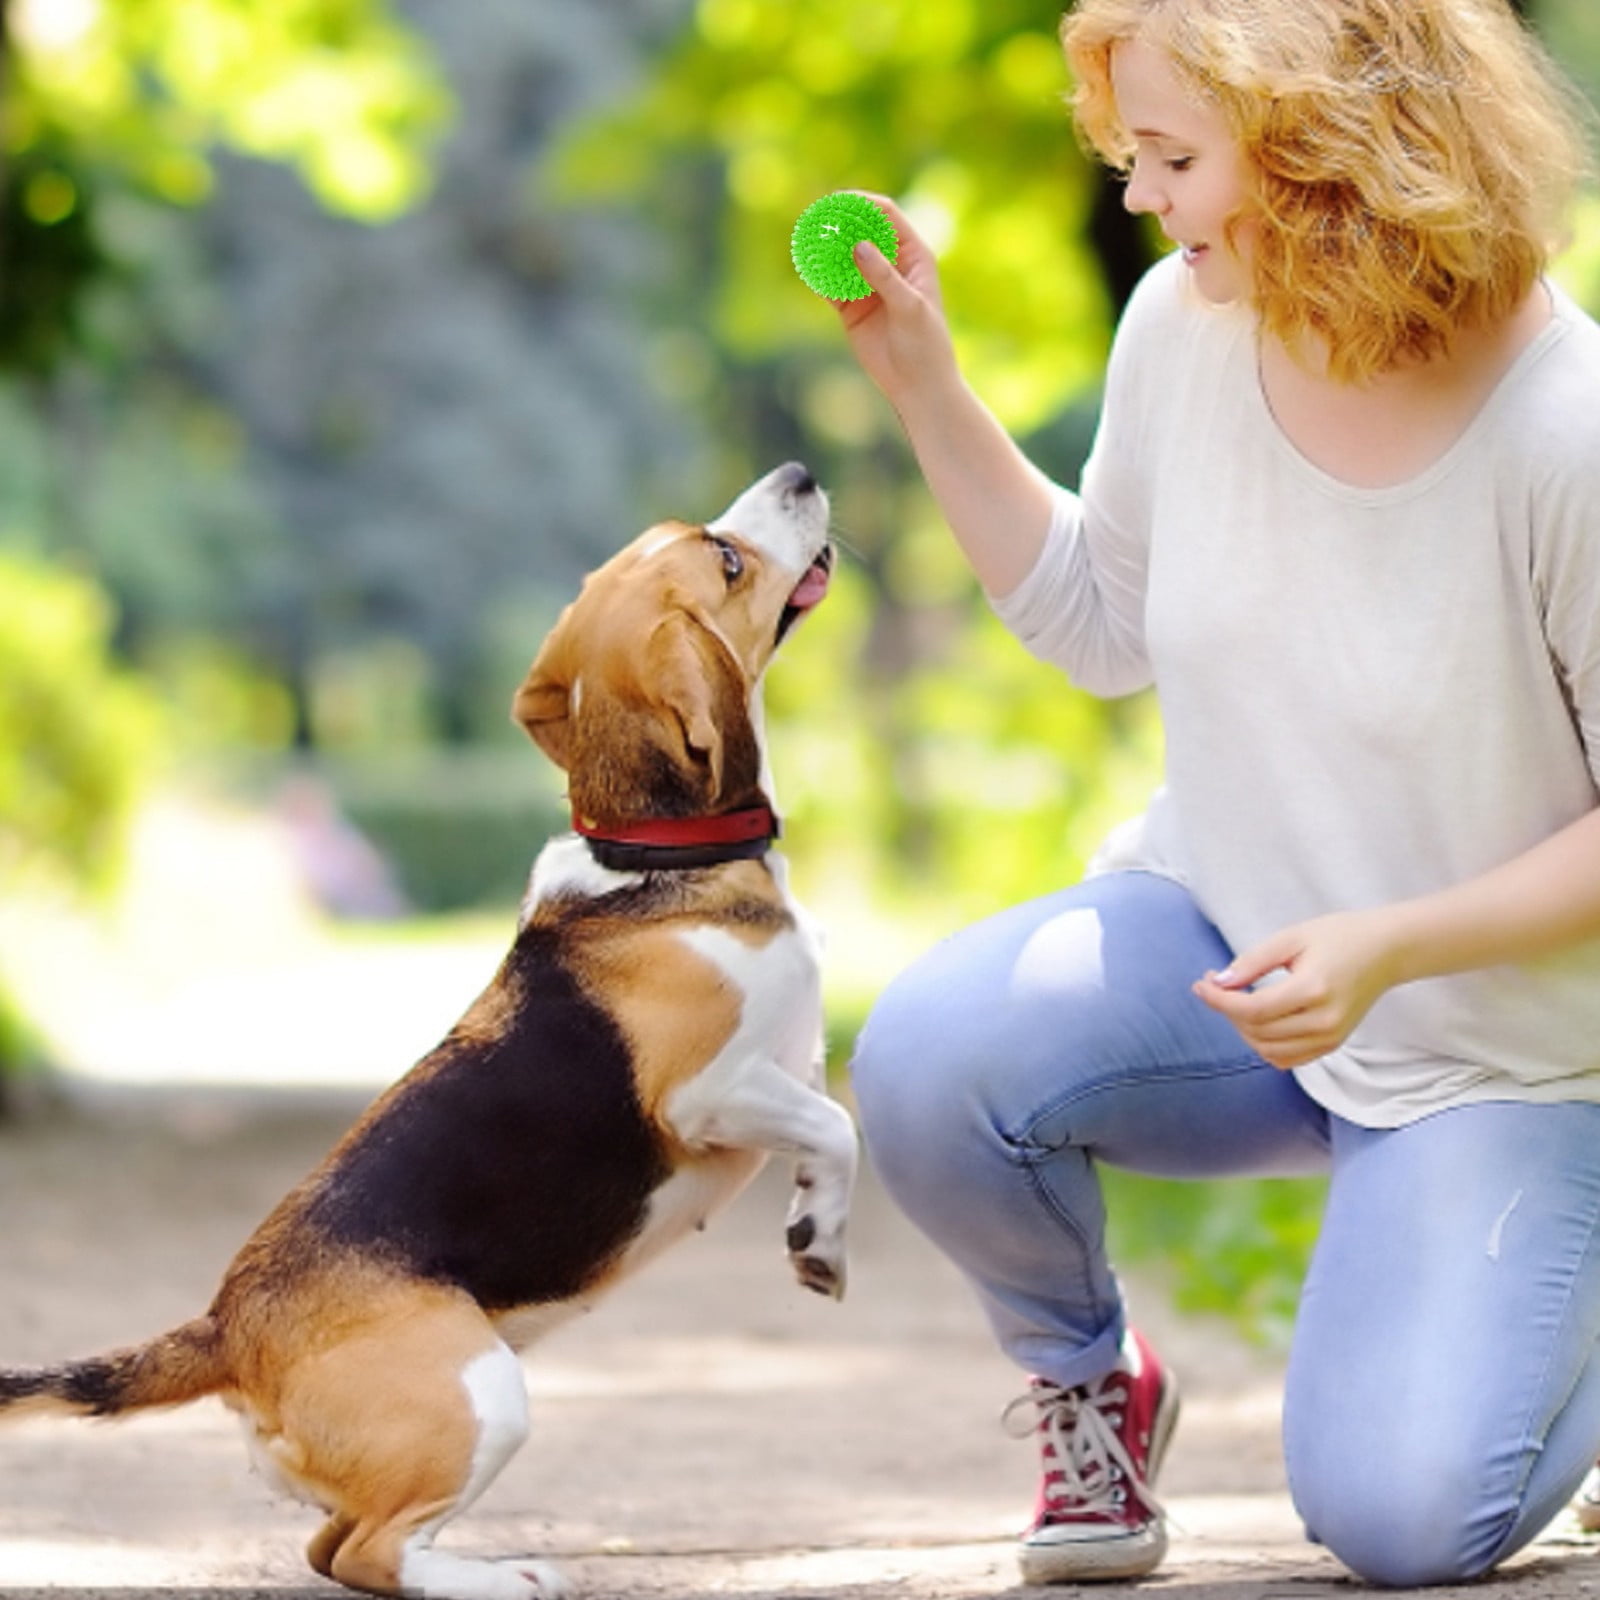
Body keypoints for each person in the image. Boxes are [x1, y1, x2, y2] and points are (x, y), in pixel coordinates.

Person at [833, 0, 1600, 1587]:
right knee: (930, 1059)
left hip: (1509, 1050)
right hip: (1233, 956)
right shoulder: (1187, 325)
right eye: (1133, 155)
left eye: (1173, 158)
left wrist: (1391, 946)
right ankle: (1090, 1386)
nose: (1138, 197)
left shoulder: (1567, 433)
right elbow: (1097, 623)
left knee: (1404, 1523)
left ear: (1326, 154)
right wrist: (923, 383)